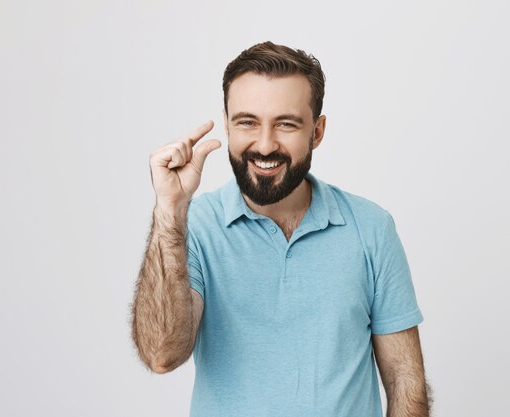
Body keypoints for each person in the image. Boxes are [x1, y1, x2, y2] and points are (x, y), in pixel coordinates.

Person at [130, 41, 432, 417]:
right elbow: (162, 354)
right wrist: (170, 211)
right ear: (227, 124)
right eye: (247, 122)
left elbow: (406, 383)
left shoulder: (371, 227)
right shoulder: (193, 226)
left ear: (317, 132)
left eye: (286, 124)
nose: (265, 144)